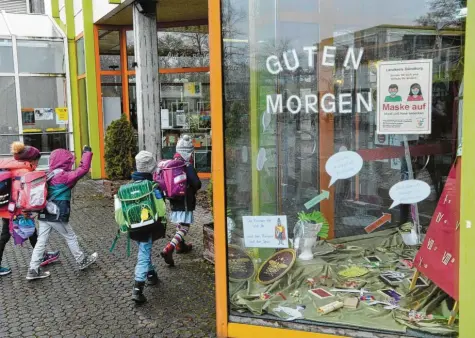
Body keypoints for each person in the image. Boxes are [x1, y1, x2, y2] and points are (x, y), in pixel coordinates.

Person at [26, 146, 97, 280]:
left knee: (41, 241)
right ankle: (81, 260)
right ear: (65, 162)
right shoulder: (64, 176)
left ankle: (33, 269)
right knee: (70, 236)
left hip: (44, 212)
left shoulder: (48, 174)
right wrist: (86, 153)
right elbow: (83, 169)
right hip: (56, 214)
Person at [0, 142, 60, 276]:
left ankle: (42, 255)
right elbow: (20, 194)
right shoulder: (24, 172)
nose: (37, 164)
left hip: (6, 208)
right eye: (37, 161)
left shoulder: (11, 167)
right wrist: (26, 210)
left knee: (31, 232)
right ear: (30, 161)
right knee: (5, 236)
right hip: (17, 210)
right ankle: (41, 256)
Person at [115, 151, 167, 303]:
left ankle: (151, 275)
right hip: (148, 227)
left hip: (132, 228)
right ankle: (137, 289)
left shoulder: (125, 189)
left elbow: (119, 214)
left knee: (144, 250)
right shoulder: (153, 187)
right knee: (143, 254)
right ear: (151, 168)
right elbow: (162, 209)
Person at [161, 135, 202, 266]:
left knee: (180, 222)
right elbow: (197, 183)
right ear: (189, 152)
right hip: (185, 200)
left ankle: (181, 246)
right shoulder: (187, 165)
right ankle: (170, 247)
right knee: (185, 226)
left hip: (174, 199)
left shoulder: (172, 164)